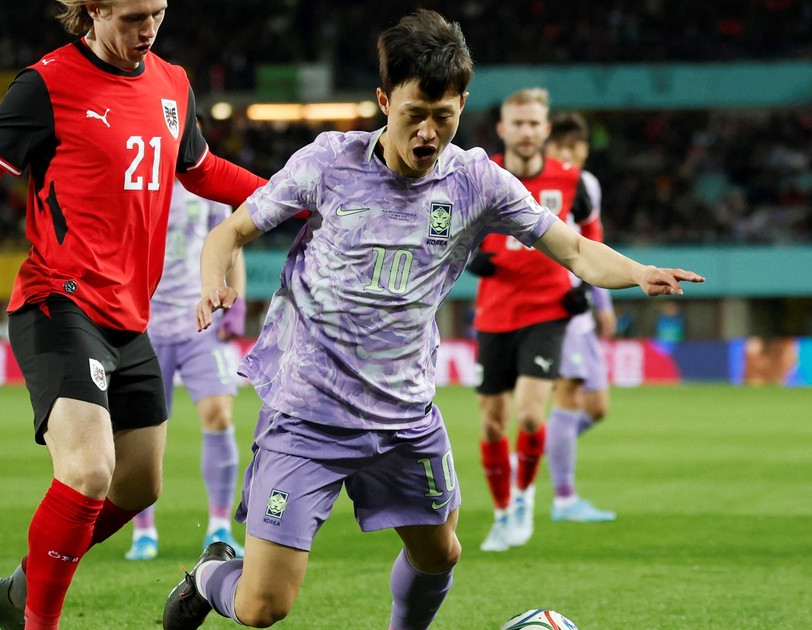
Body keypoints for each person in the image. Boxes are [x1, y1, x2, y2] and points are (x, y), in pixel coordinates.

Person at [161, 10, 702, 629]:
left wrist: (637, 271)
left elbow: (574, 249)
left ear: (462, 105)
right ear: (383, 101)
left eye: (443, 117)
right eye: (413, 114)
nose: (427, 133)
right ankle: (209, 575)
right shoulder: (328, 162)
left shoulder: (476, 181)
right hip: (307, 413)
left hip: (404, 416)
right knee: (262, 607)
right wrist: (214, 283)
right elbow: (228, 232)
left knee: (439, 553)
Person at [0, 1, 265, 629]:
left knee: (139, 485)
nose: (149, 29)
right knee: (88, 470)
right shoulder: (47, 84)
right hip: (57, 301)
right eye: (134, 17)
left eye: (158, 13)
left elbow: (201, 172)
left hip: (128, 317)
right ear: (94, 9)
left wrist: (287, 194)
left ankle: (20, 590)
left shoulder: (173, 84)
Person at [465, 87, 596, 552]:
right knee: (492, 423)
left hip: (548, 308)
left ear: (546, 129)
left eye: (534, 123)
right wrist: (470, 257)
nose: (526, 131)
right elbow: (451, 225)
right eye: (518, 123)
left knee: (528, 414)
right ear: (503, 129)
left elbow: (590, 231)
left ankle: (523, 497)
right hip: (495, 310)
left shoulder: (571, 179)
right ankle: (501, 512)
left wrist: (585, 284)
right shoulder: (482, 176)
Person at [125, 178, 247, 561]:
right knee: (140, 432)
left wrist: (237, 304)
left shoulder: (206, 183)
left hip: (203, 319)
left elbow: (232, 244)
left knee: (219, 414)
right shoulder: (138, 177)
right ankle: (143, 531)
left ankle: (219, 526)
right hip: (144, 324)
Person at [543, 111, 618, 523]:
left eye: (575, 147)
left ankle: (536, 452)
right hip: (557, 303)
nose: (568, 155)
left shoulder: (588, 185)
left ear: (586, 149)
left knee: (598, 406)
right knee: (569, 393)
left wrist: (603, 303)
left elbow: (593, 245)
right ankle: (565, 499)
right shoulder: (540, 184)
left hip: (583, 306)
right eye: (561, 147)